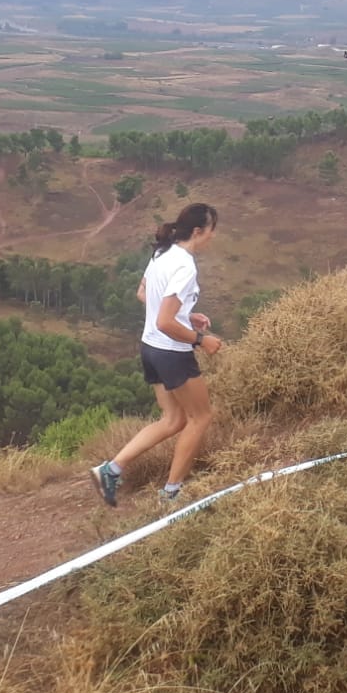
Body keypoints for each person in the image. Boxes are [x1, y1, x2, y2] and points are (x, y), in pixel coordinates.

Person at [90, 203, 223, 507]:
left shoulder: (163, 252)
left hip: (150, 349)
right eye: (212, 231)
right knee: (201, 418)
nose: (213, 238)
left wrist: (187, 315)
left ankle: (110, 470)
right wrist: (202, 340)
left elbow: (144, 294)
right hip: (172, 353)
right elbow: (165, 320)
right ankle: (171, 493)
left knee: (173, 419)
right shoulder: (186, 266)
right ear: (199, 231)